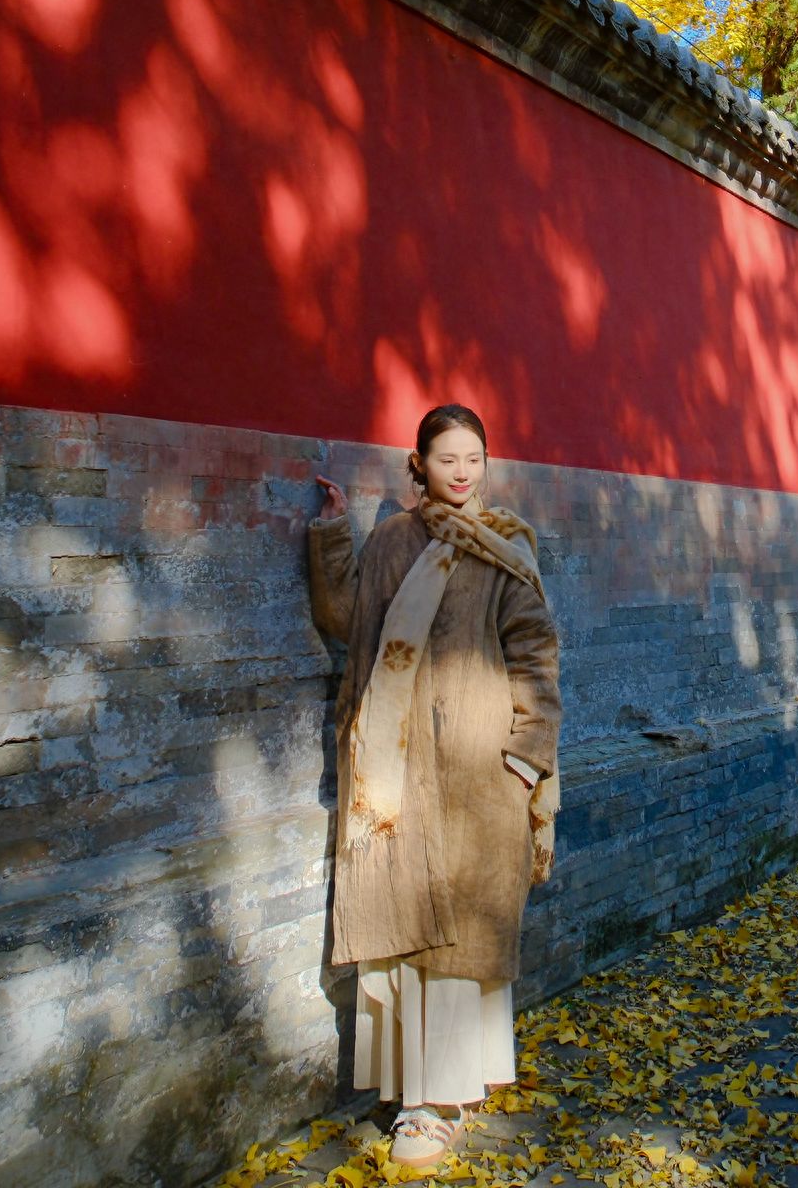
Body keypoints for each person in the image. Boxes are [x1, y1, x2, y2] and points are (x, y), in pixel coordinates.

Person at [306, 403, 562, 1175]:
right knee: (407, 927)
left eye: (473, 457)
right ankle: (409, 1087)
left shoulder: (506, 549)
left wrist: (525, 756)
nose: (461, 471)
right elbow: (350, 620)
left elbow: (537, 659)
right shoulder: (391, 541)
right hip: (397, 775)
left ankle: (438, 1100)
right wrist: (330, 536)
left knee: (460, 935)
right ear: (418, 464)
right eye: (446, 457)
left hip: (480, 776)